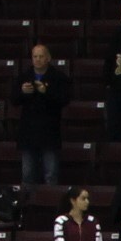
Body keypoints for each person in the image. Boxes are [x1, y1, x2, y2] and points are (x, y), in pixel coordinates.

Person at [16, 44, 72, 189]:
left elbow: (64, 100)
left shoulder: (58, 77)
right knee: (27, 175)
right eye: (35, 56)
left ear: (48, 58)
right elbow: (13, 100)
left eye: (41, 56)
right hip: (28, 132)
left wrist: (46, 91)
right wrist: (22, 92)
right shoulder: (24, 76)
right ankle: (26, 208)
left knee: (51, 174)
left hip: (49, 131)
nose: (38, 59)